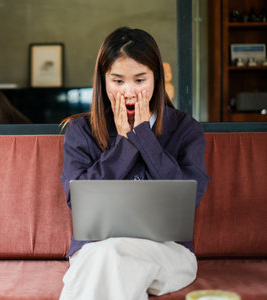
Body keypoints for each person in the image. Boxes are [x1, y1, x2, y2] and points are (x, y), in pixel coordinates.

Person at [59, 27, 209, 300]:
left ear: (157, 79)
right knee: (111, 258)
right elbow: (78, 199)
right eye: (118, 81)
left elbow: (188, 196)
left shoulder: (186, 129)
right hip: (95, 250)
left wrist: (144, 137)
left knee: (110, 260)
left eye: (140, 80)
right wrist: (125, 144)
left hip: (168, 252)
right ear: (103, 81)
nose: (129, 92)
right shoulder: (81, 131)